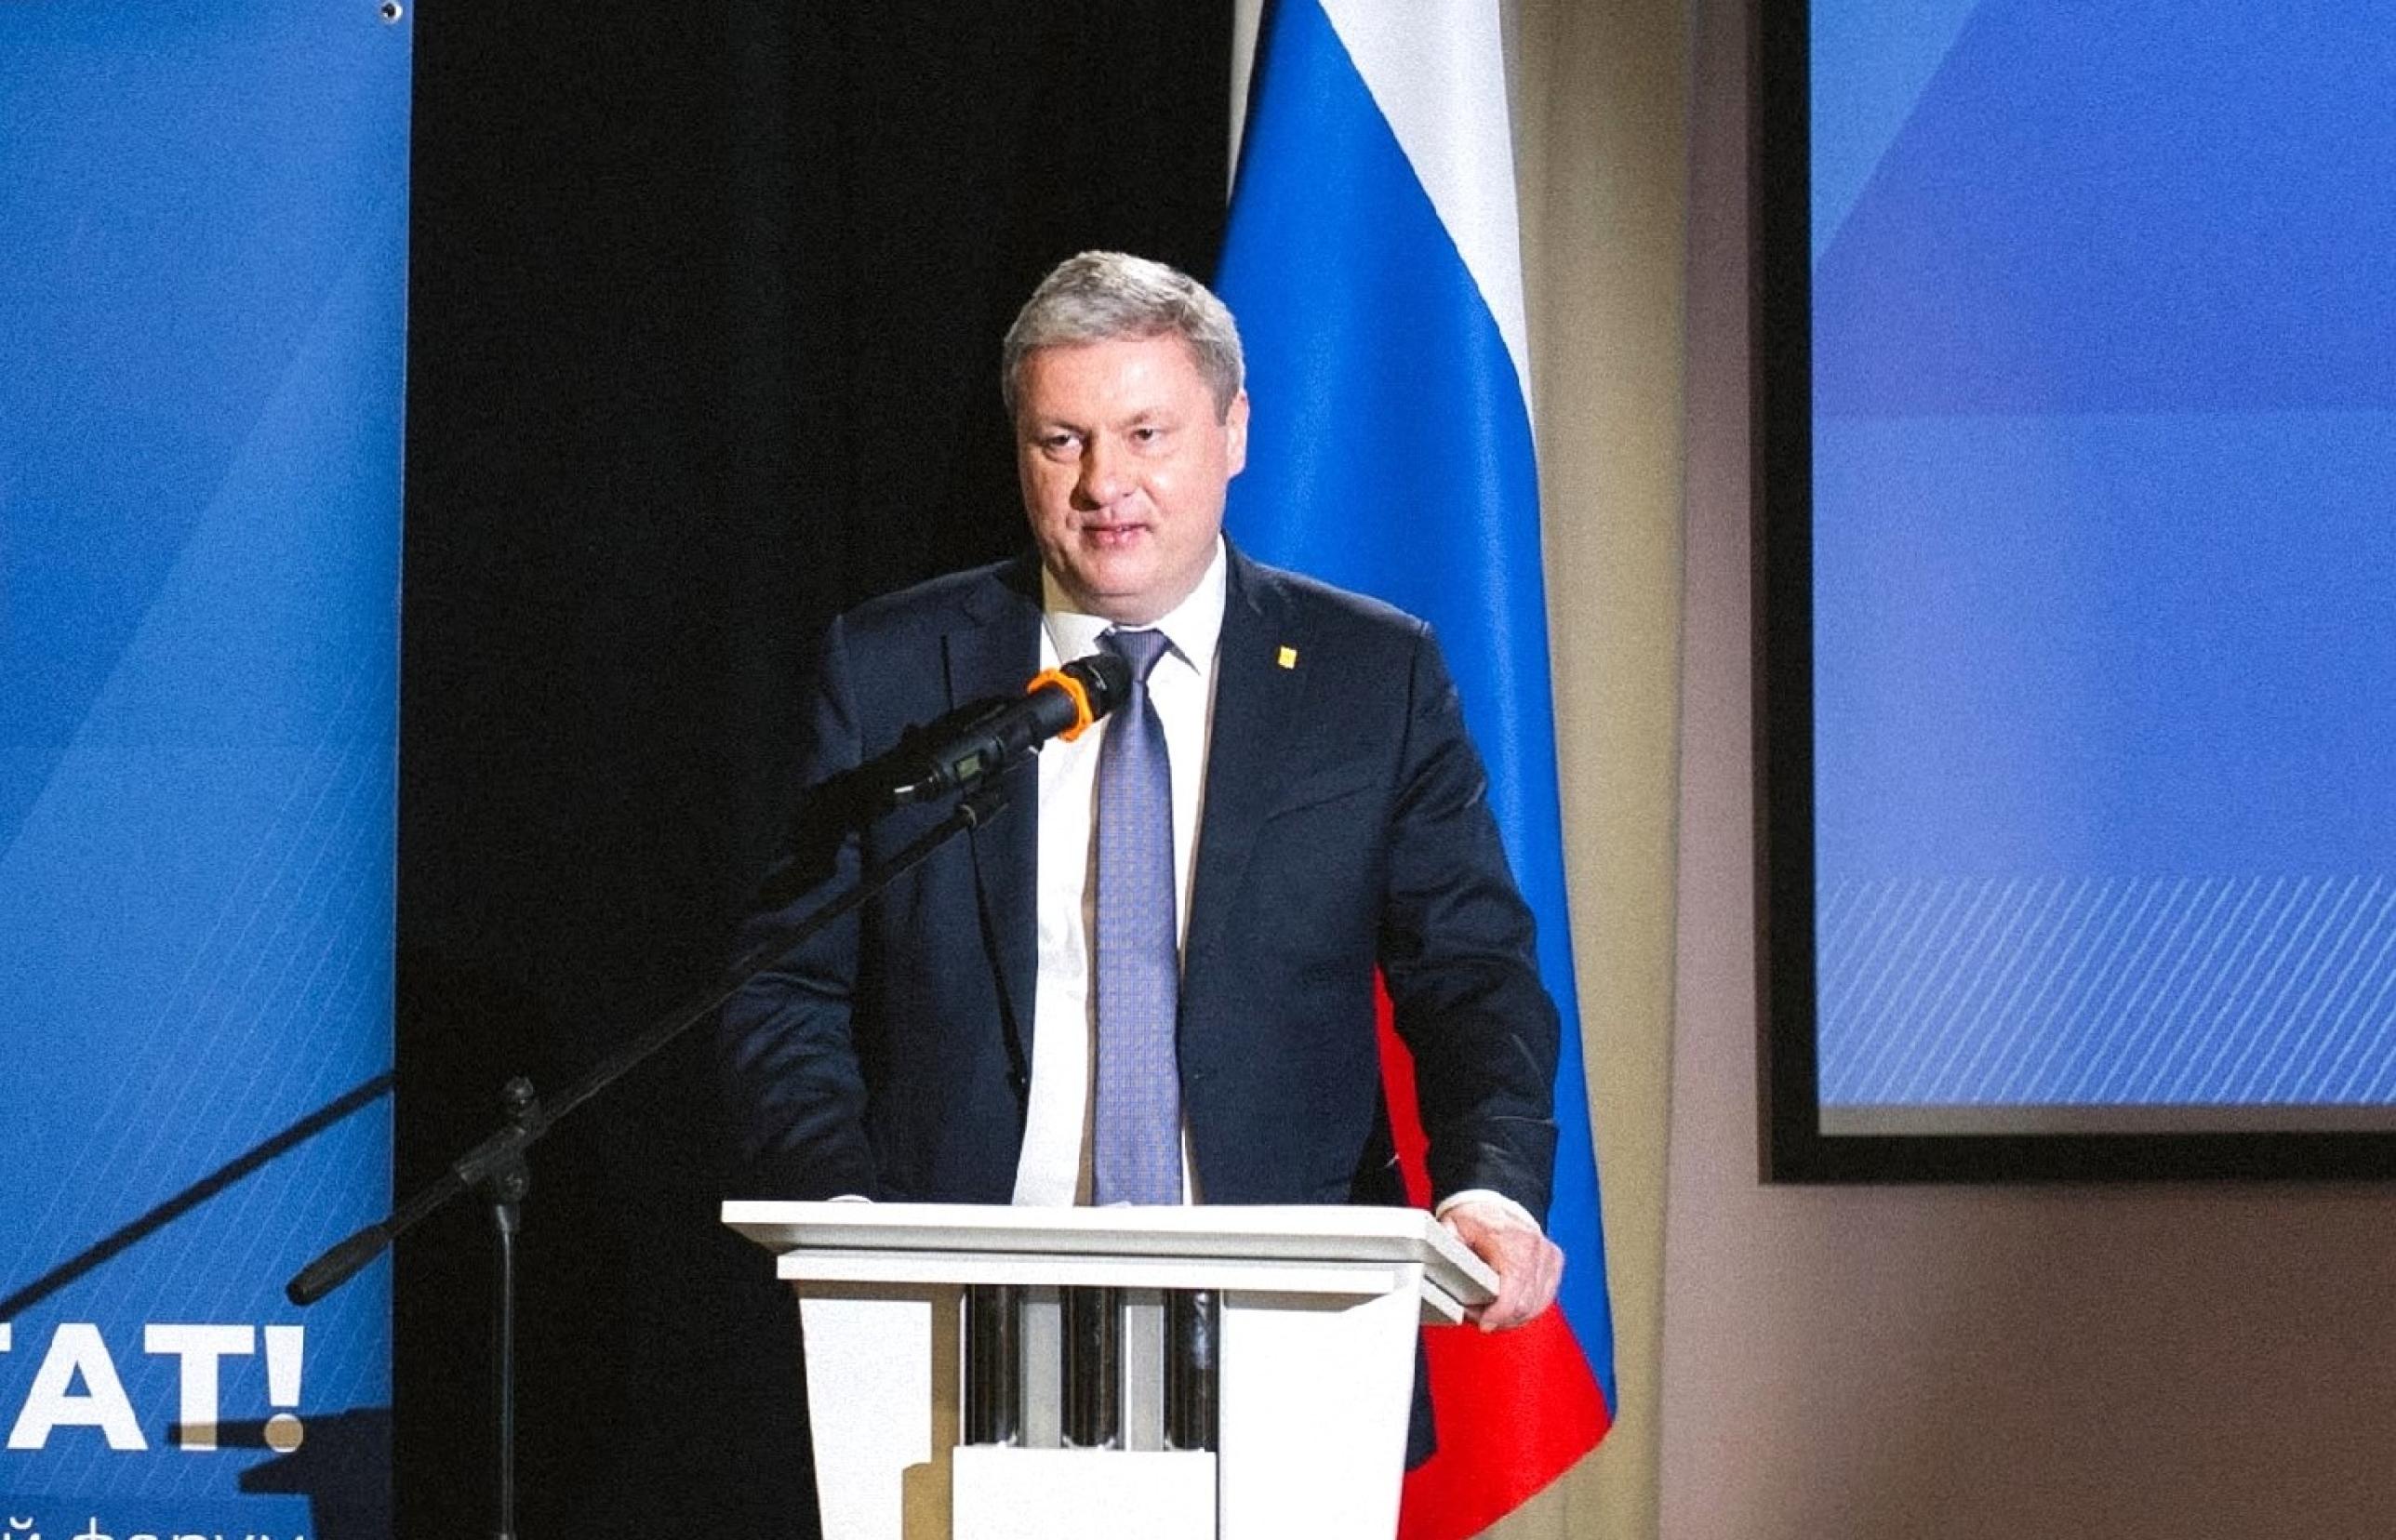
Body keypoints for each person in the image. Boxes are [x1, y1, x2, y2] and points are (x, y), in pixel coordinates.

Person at [720, 251, 1564, 1334]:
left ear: (1233, 432)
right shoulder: (894, 671)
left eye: (1146, 434)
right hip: (954, 1303)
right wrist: (844, 1220)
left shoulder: (1369, 678)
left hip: (1289, 1309)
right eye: (1060, 440)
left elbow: (1471, 970)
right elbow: (786, 980)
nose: (1101, 484)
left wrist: (1490, 1184)